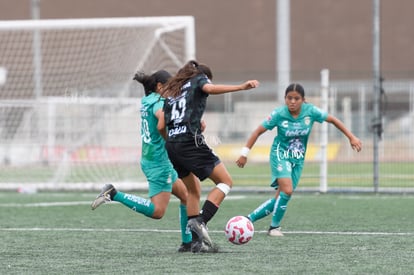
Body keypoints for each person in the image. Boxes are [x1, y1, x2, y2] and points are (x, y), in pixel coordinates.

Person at [236, 83, 362, 236]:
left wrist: (351, 137)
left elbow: (333, 120)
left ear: (303, 100)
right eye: (289, 98)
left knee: (281, 197)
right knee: (287, 190)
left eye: (296, 98)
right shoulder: (279, 114)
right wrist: (244, 153)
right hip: (280, 154)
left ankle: (247, 220)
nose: (293, 102)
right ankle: (274, 228)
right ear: (285, 99)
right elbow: (257, 132)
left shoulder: (311, 112)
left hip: (298, 159)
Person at [160, 60, 259, 252]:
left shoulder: (174, 92)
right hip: (190, 142)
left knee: (193, 191)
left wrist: (180, 136)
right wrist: (241, 87)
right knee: (225, 182)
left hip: (172, 145)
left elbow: (163, 127)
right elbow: (209, 89)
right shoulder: (199, 78)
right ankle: (201, 220)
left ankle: (196, 243)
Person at [91, 70, 193, 252]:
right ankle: (114, 194)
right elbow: (162, 118)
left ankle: (187, 242)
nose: (173, 91)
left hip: (153, 158)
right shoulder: (159, 103)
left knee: (186, 195)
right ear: (160, 86)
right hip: (158, 163)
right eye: (170, 87)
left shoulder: (147, 100)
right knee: (158, 212)